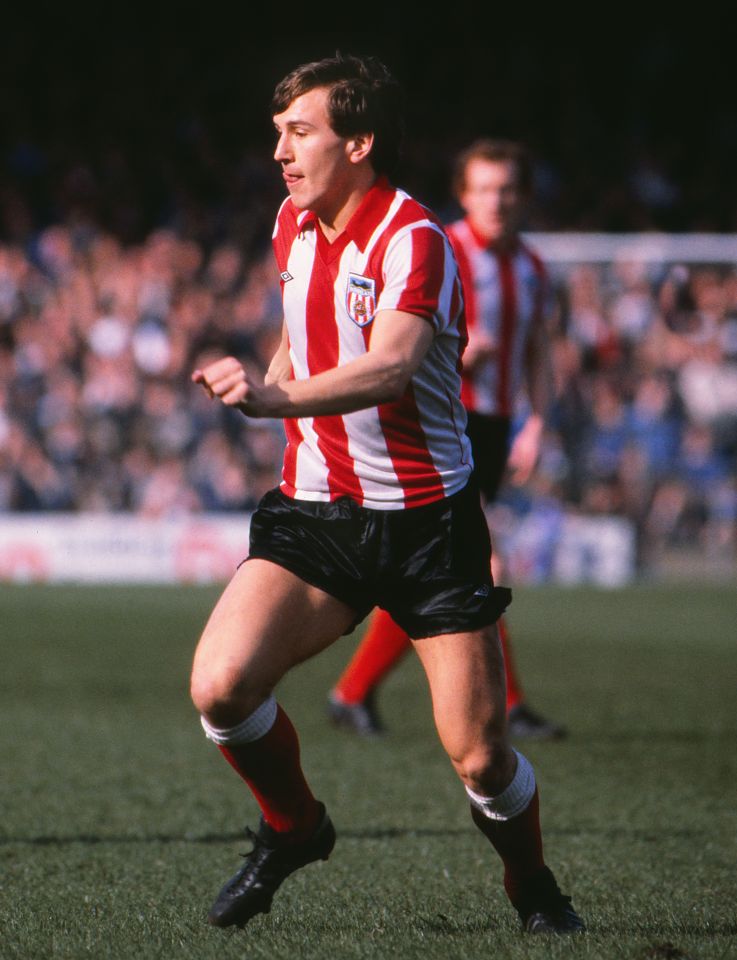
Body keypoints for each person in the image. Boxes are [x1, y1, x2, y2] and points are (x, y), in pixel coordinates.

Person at [189, 54, 584, 936]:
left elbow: (394, 365)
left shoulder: (418, 240)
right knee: (220, 687)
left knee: (480, 758)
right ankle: (295, 829)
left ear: (359, 141)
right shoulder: (291, 225)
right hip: (315, 515)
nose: (282, 152)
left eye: (301, 132)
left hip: (425, 526)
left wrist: (275, 396)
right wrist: (268, 378)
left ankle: (532, 885)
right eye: (278, 134)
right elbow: (299, 333)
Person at [328, 139, 566, 740]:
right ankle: (507, 706)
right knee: (476, 564)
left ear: (524, 197)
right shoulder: (442, 245)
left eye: (507, 189)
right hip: (441, 420)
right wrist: (459, 351)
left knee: (439, 572)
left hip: (494, 426)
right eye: (484, 189)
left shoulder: (533, 267)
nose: (497, 200)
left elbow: (538, 347)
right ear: (464, 195)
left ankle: (352, 693)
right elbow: (387, 338)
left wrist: (535, 422)